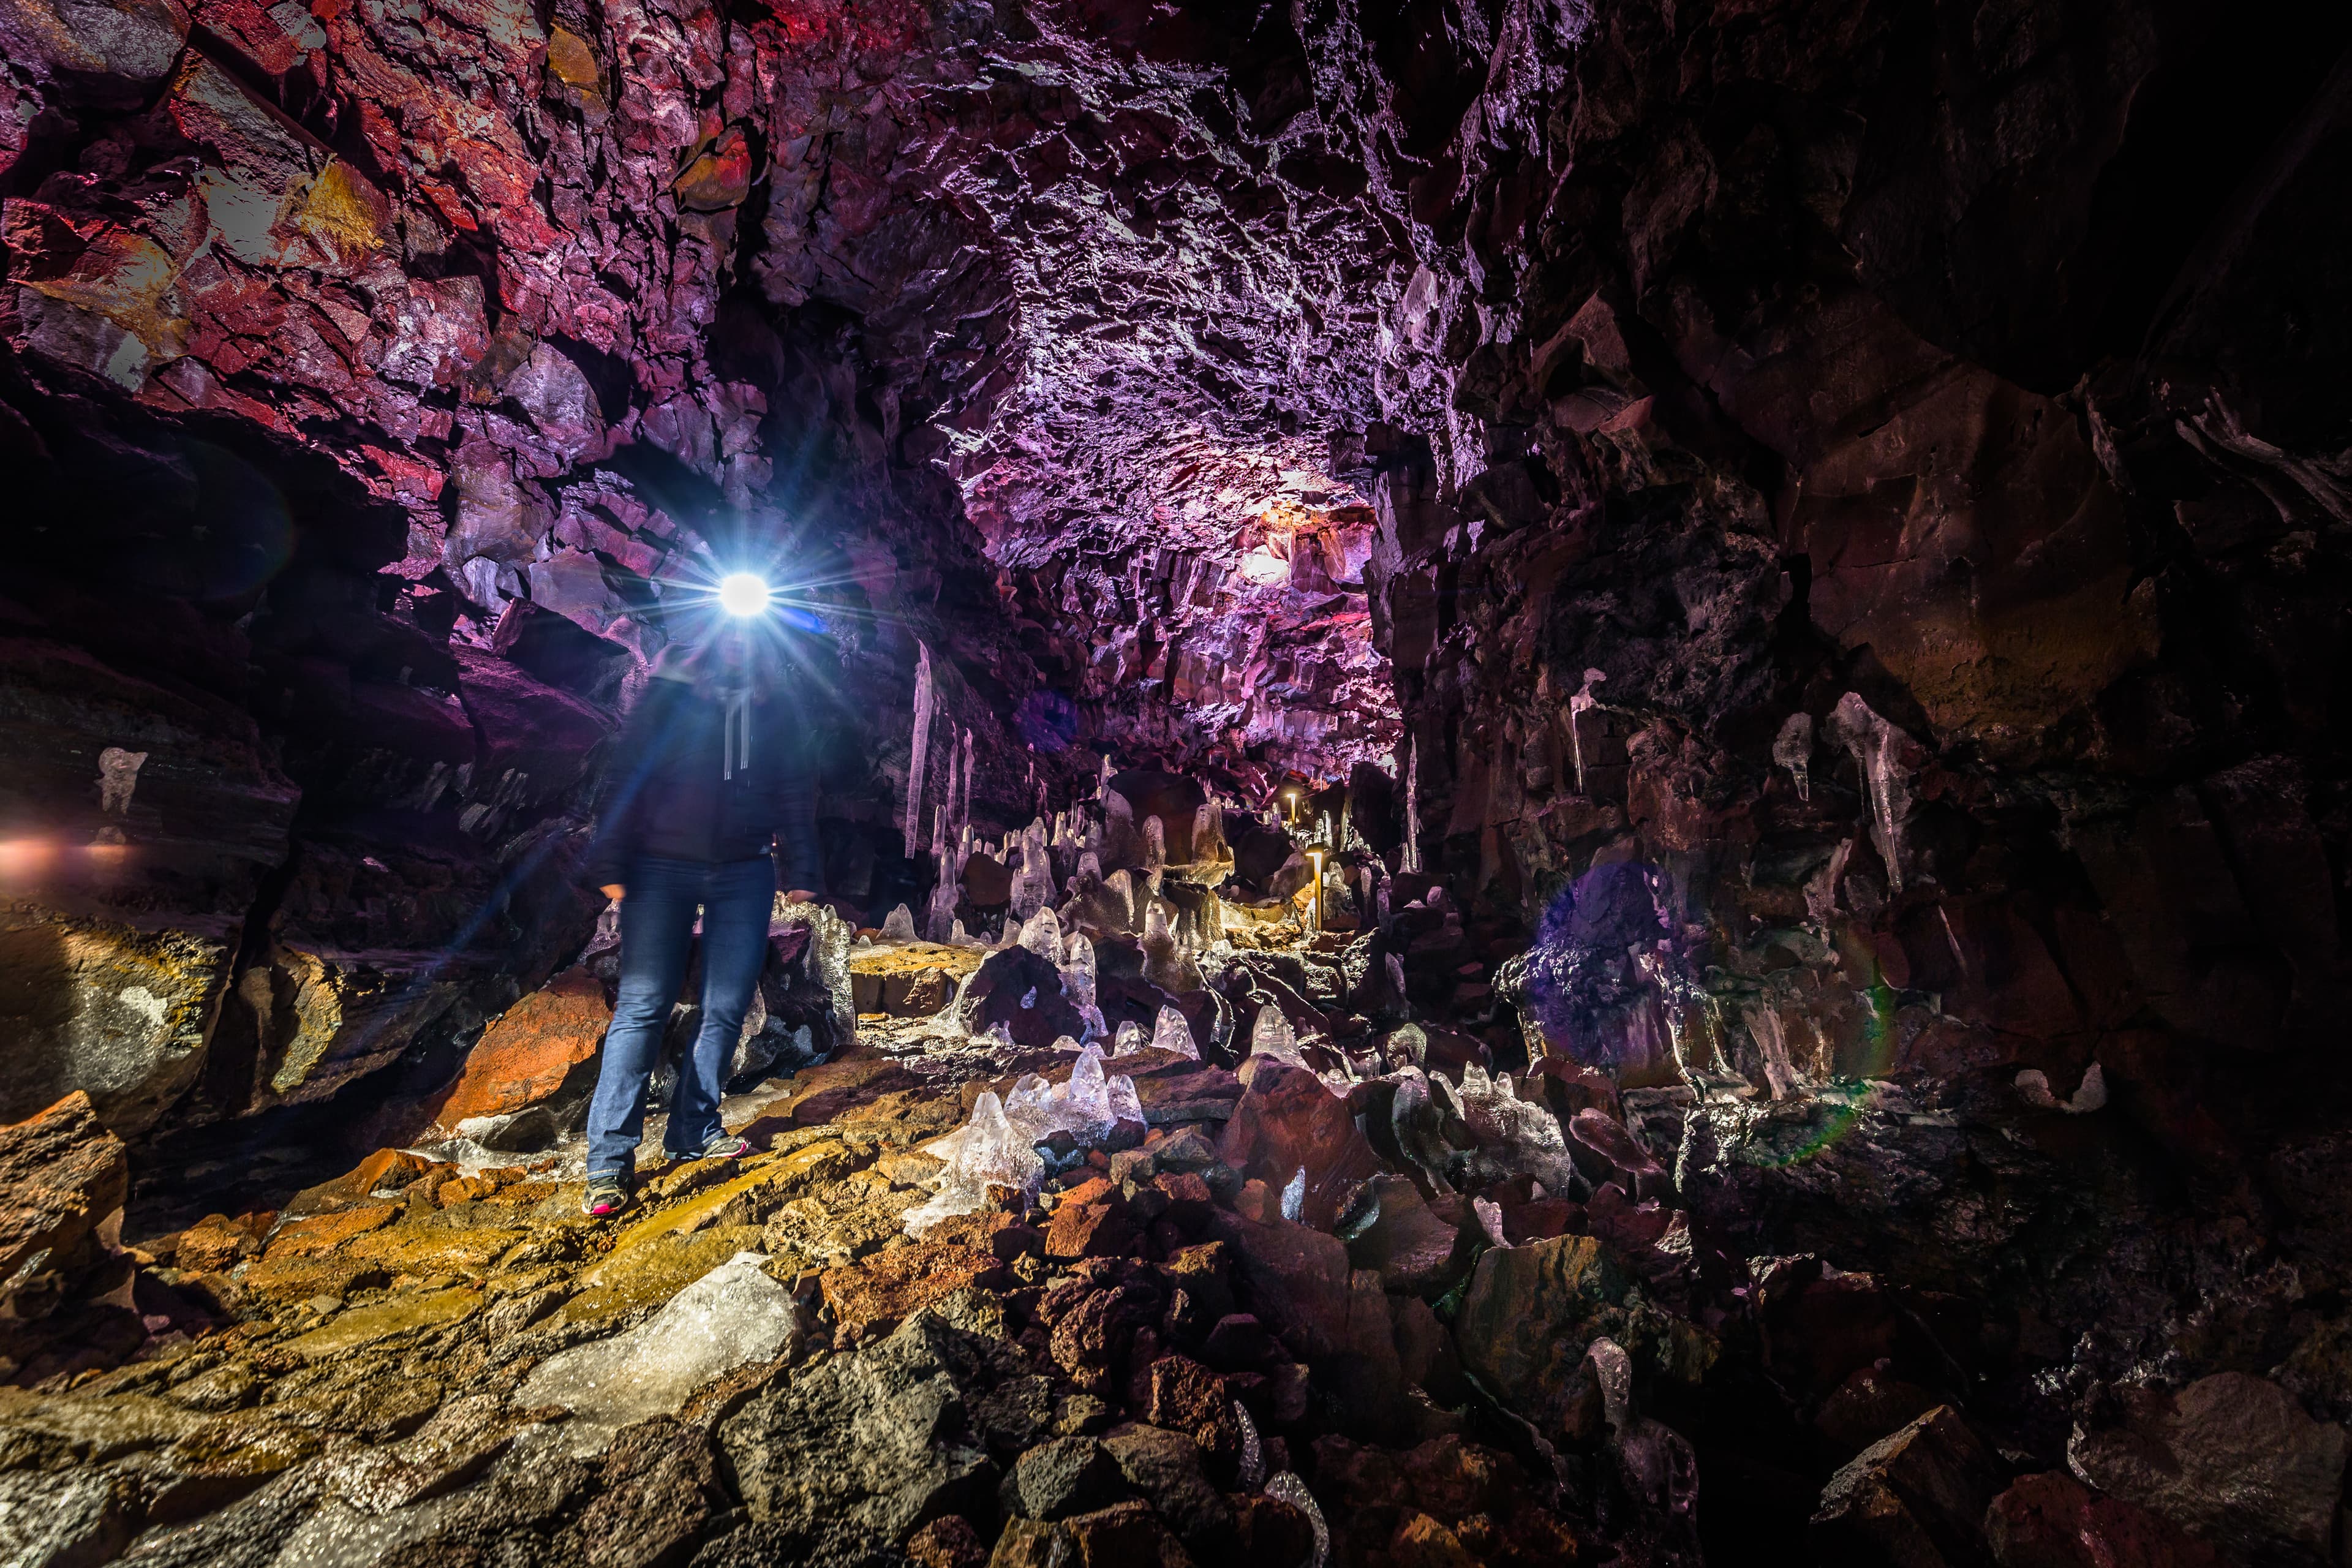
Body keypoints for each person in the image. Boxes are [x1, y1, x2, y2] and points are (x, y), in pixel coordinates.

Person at [576, 625, 823, 1216]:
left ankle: (693, 1128)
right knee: (644, 1003)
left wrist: (802, 865)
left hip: (745, 869)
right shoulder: (668, 689)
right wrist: (609, 858)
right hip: (662, 866)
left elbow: (793, 786)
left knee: (726, 1004)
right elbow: (628, 770)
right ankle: (609, 1162)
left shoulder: (775, 704)